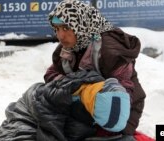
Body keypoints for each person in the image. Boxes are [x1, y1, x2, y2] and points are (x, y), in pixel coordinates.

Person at [44, 0, 146, 140]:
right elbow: (50, 74)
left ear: (81, 24)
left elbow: (122, 96)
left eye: (66, 28)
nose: (60, 36)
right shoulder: (66, 49)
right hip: (87, 111)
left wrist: (81, 90)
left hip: (121, 113)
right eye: (56, 29)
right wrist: (78, 89)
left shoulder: (109, 50)